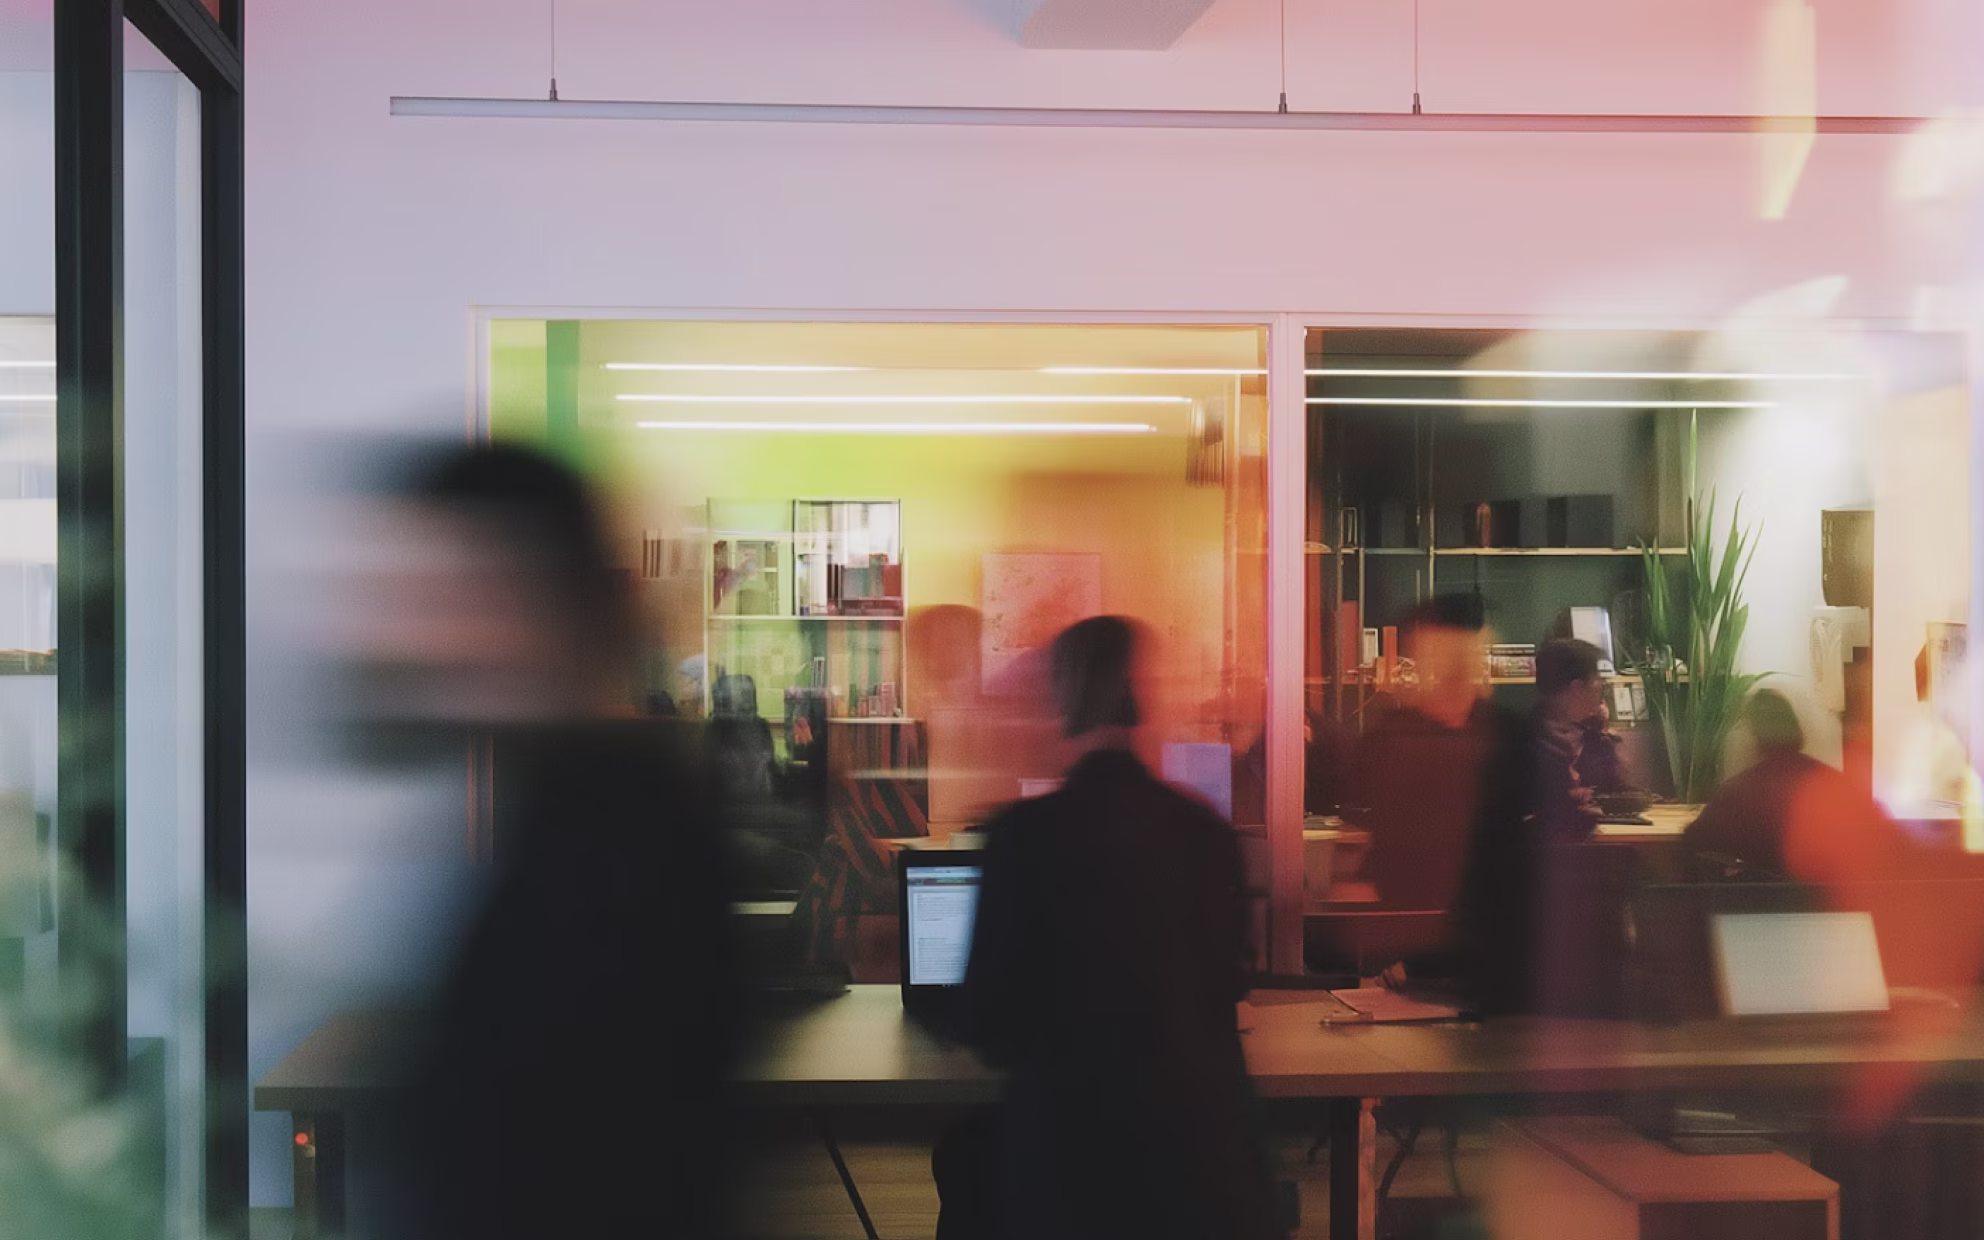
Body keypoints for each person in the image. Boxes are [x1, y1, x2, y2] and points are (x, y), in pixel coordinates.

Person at [351, 443, 741, 1240]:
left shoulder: (621, 841)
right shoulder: (561, 809)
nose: (414, 633)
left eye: (458, 595)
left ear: (562, 605)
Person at [954, 616, 1282, 1240]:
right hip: (1198, 1175)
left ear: (1062, 698)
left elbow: (988, 1024)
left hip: (1068, 1176)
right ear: (1143, 698)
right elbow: (1229, 984)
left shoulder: (1023, 837)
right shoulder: (1205, 833)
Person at [1341, 595, 1530, 990]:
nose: (1452, 661)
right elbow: (1371, 830)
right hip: (1415, 944)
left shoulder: (1506, 734)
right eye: (1441, 648)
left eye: (1462, 648)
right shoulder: (1392, 737)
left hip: (1491, 940)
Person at [1683, 688, 1905, 883]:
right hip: (1833, 907)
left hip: (1762, 908)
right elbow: (1881, 831)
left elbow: (1695, 840)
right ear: (1795, 727)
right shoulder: (1834, 784)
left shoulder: (1739, 791)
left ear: (1754, 735)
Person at [1529, 637, 1631, 841]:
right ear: (1577, 687)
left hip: (1602, 845)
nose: (1602, 685)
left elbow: (1618, 793)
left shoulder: (1597, 740)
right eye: (1597, 678)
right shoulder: (1525, 744)